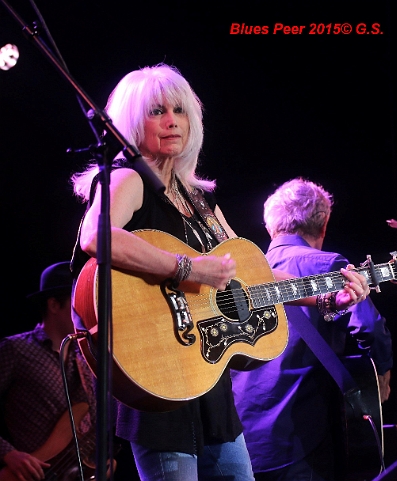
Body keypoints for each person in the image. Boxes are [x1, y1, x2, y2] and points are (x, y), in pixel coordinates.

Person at [69, 63, 371, 481]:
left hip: (210, 386)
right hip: (160, 373)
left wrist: (327, 294)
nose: (172, 120)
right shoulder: (127, 179)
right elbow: (97, 237)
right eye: (157, 111)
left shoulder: (200, 201)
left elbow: (253, 278)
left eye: (179, 110)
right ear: (130, 122)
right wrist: (189, 268)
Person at [231, 177, 393, 481]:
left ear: (270, 227)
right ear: (323, 224)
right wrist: (383, 375)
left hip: (241, 438)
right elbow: (369, 326)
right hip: (302, 434)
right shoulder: (330, 265)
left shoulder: (245, 276)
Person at [0, 261, 96, 481]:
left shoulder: (85, 360)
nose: (87, 309)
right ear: (54, 305)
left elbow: (92, 426)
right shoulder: (16, 350)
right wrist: (9, 454)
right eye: (77, 302)